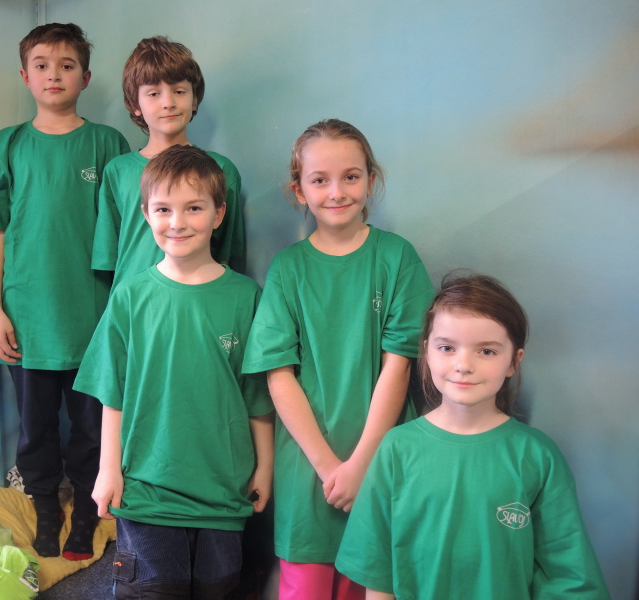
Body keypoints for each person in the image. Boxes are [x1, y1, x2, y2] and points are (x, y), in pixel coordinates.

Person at [0, 23, 130, 561]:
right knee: (35, 429)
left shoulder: (107, 144)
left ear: (85, 77)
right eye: (42, 65)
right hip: (26, 316)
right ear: (25, 75)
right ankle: (46, 509)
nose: (54, 74)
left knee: (91, 427)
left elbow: (129, 230)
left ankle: (86, 514)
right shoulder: (7, 144)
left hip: (92, 317)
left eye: (66, 65)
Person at [242, 119, 434, 600]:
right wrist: (330, 467)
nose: (336, 191)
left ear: (371, 180)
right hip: (307, 467)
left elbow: (398, 366)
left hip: (380, 462)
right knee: (305, 586)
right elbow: (278, 376)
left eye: (350, 176)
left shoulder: (397, 259)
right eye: (319, 179)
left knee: (368, 586)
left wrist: (362, 462)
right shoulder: (288, 269)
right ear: (299, 191)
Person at [74, 145, 274, 599]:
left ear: (219, 214)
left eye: (194, 208)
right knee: (153, 591)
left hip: (222, 491)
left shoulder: (246, 298)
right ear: (146, 213)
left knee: (217, 589)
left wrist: (265, 467)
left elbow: (257, 396)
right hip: (147, 491)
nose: (177, 222)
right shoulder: (129, 297)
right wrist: (108, 470)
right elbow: (112, 392)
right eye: (164, 209)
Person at [336, 273, 611, 599]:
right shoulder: (397, 449)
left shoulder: (537, 456)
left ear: (514, 361)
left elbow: (568, 576)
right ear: (426, 352)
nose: (463, 365)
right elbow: (377, 572)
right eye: (447, 347)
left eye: (487, 352)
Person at [91, 36, 243, 287]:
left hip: (196, 300)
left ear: (194, 99)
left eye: (179, 91)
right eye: (153, 93)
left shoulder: (221, 170)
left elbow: (224, 257)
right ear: (135, 104)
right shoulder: (117, 171)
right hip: (134, 303)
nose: (168, 103)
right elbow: (110, 259)